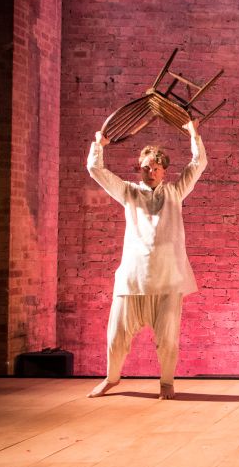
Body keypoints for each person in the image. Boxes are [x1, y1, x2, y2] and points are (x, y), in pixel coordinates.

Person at [86, 119, 206, 400]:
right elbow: (96, 170)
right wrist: (99, 145)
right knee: (116, 335)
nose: (150, 172)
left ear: (164, 170)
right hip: (133, 277)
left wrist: (193, 133)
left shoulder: (175, 192)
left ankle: (166, 382)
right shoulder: (129, 192)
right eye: (145, 168)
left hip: (167, 279)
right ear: (139, 169)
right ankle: (111, 378)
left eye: (154, 168)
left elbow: (198, 164)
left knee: (168, 338)